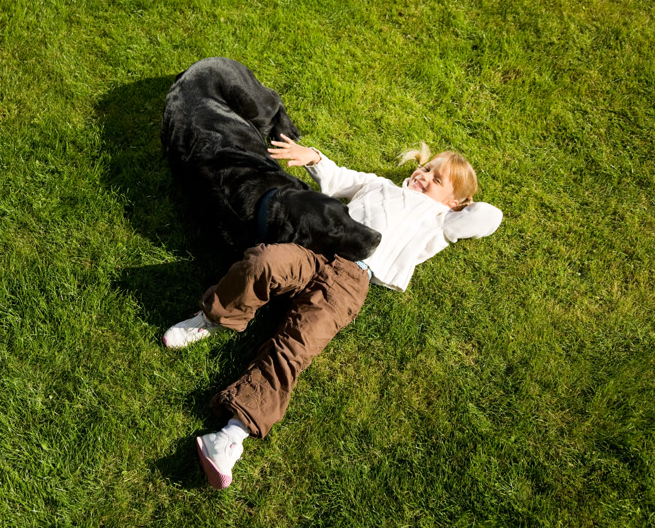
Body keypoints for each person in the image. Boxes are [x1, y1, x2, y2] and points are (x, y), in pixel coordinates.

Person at [163, 135, 503, 490]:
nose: (425, 176)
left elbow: (489, 218)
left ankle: (231, 437)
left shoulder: (439, 222)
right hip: (319, 249)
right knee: (264, 261)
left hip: (353, 282)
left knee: (297, 346)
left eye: (437, 180)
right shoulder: (379, 184)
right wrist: (313, 157)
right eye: (426, 168)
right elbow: (339, 178)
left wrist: (458, 206)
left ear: (452, 201)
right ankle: (213, 319)